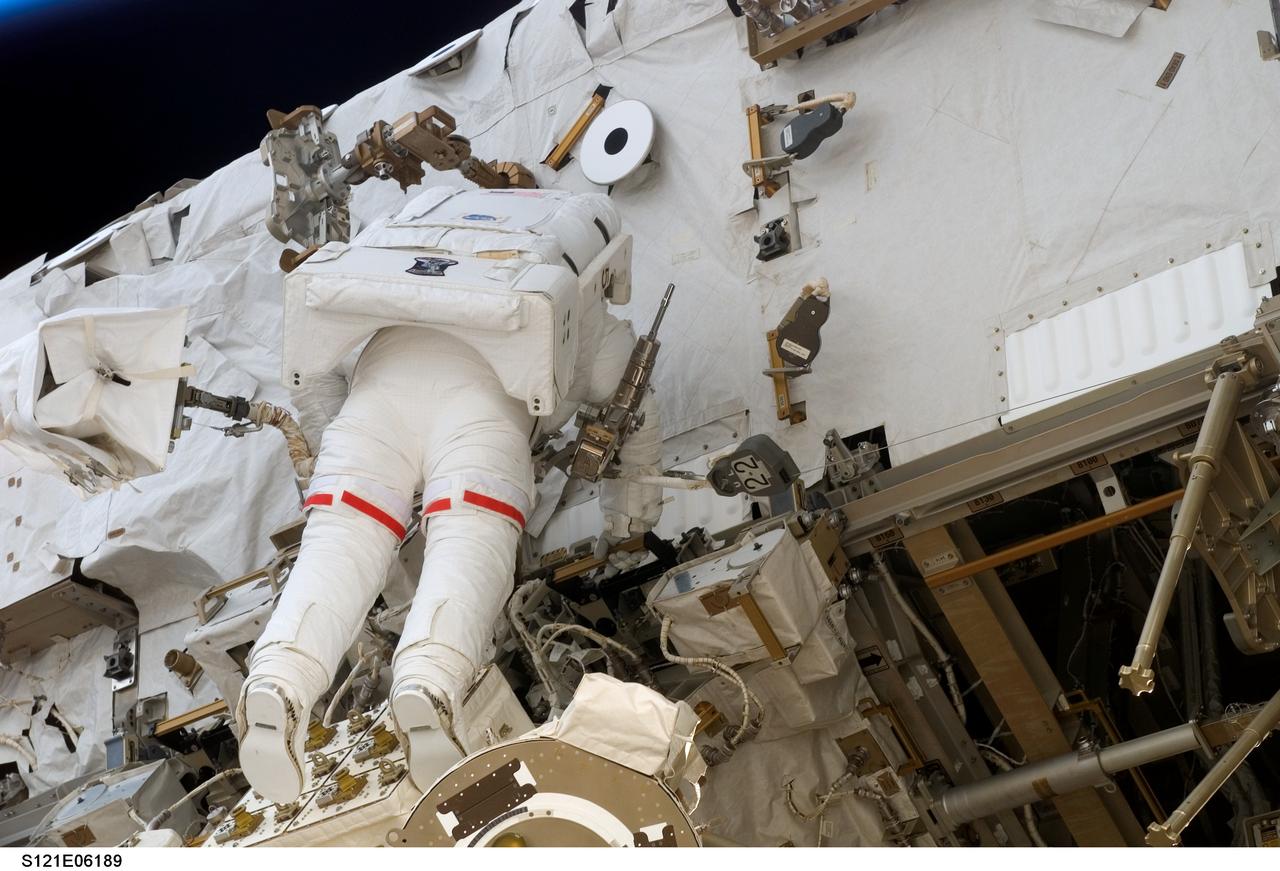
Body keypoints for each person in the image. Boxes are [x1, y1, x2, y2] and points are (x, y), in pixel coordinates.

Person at [237, 186, 664, 800]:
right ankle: (427, 685)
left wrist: (341, 448)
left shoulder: (397, 253)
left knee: (338, 547)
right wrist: (629, 526)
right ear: (603, 265)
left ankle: (278, 682)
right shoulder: (586, 315)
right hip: (481, 421)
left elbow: (316, 368)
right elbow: (635, 414)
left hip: (373, 410)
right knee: (469, 545)